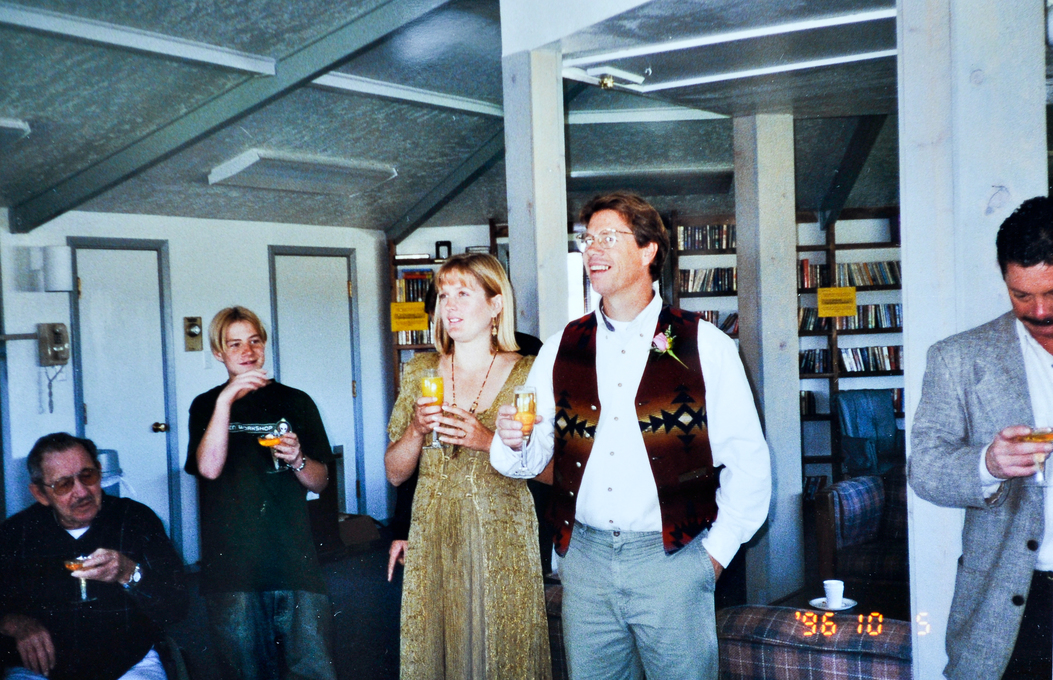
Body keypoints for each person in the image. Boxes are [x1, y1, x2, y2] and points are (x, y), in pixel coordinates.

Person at [491, 192, 771, 680]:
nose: (592, 250)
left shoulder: (705, 345)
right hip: (585, 563)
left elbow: (748, 462)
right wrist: (515, 440)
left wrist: (712, 558)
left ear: (648, 250)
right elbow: (531, 456)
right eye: (588, 239)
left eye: (608, 238)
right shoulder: (562, 347)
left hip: (673, 560)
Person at [386, 252, 551, 679]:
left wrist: (486, 441)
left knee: (501, 655)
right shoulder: (420, 371)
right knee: (437, 654)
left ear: (496, 304)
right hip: (433, 534)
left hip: (501, 539)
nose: (450, 306)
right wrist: (416, 430)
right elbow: (395, 472)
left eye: (463, 294)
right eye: (444, 296)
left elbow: (555, 472)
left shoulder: (531, 373)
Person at [910, 196, 1053, 679]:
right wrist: (987, 464)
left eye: (1052, 293)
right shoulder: (958, 358)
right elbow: (925, 468)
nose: (1039, 311)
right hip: (1007, 605)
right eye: (1021, 295)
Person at [185, 306, 336, 680]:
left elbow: (320, 482)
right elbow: (208, 468)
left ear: (265, 344)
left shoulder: (297, 401)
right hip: (232, 570)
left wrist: (299, 459)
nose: (247, 351)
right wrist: (226, 401)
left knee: (312, 670)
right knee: (245, 672)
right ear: (218, 352)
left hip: (294, 561)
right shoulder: (205, 405)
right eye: (234, 344)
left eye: (254, 341)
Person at [0, 432, 187, 680]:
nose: (81, 492)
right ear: (40, 494)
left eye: (87, 476)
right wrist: (14, 623)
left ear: (99, 471)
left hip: (129, 663)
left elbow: (177, 606)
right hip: (41, 671)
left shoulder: (135, 519)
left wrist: (129, 572)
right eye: (64, 484)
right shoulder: (16, 533)